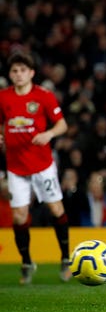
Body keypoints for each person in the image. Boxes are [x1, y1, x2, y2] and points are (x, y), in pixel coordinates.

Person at [0, 52, 71, 284]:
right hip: (16, 166)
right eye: (14, 71)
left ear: (31, 73)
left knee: (55, 209)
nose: (18, 75)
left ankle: (65, 259)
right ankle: (27, 261)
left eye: (22, 70)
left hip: (42, 165)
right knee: (19, 216)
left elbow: (62, 124)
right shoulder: (3, 97)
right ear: (10, 75)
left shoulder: (44, 96)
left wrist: (49, 133)